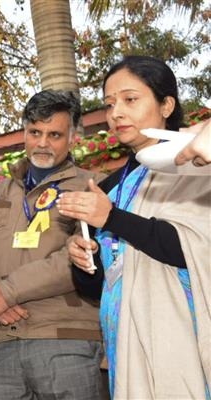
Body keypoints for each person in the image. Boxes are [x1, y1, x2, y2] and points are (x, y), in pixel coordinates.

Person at [58, 55, 210, 399]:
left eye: (130, 99)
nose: (116, 113)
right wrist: (84, 261)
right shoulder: (111, 185)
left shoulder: (196, 167)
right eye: (110, 104)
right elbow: (99, 285)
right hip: (123, 341)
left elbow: (188, 249)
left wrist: (112, 219)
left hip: (179, 335)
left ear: (166, 105)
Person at [0, 90, 106, 399]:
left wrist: (7, 291)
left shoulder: (93, 187)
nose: (42, 143)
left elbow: (82, 253)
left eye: (54, 135)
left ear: (73, 138)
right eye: (35, 132)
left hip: (66, 339)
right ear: (24, 133)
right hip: (3, 340)